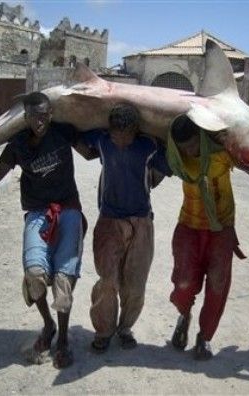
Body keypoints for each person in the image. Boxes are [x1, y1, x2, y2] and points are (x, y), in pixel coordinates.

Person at [0, 91, 89, 369]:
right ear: (25, 117)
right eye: (33, 116)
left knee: (64, 280)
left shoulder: (63, 132)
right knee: (34, 274)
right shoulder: (18, 144)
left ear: (51, 114)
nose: (39, 121)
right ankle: (48, 325)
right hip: (38, 213)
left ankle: (63, 339)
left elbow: (90, 153)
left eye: (44, 115)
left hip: (68, 210)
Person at [81, 104, 172, 353]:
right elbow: (78, 134)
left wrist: (152, 179)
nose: (119, 141)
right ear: (109, 131)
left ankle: (125, 328)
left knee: (135, 285)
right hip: (109, 220)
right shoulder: (102, 141)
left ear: (135, 131)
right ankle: (103, 331)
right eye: (115, 135)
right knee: (107, 280)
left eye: (125, 136)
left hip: (142, 222)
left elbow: (169, 165)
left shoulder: (149, 146)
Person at [167, 114, 245, 360]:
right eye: (184, 147)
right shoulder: (178, 160)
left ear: (201, 137)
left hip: (221, 229)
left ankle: (205, 337)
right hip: (189, 226)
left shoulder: (223, 154)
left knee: (217, 286)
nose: (191, 150)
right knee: (183, 284)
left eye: (193, 144)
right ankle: (184, 314)